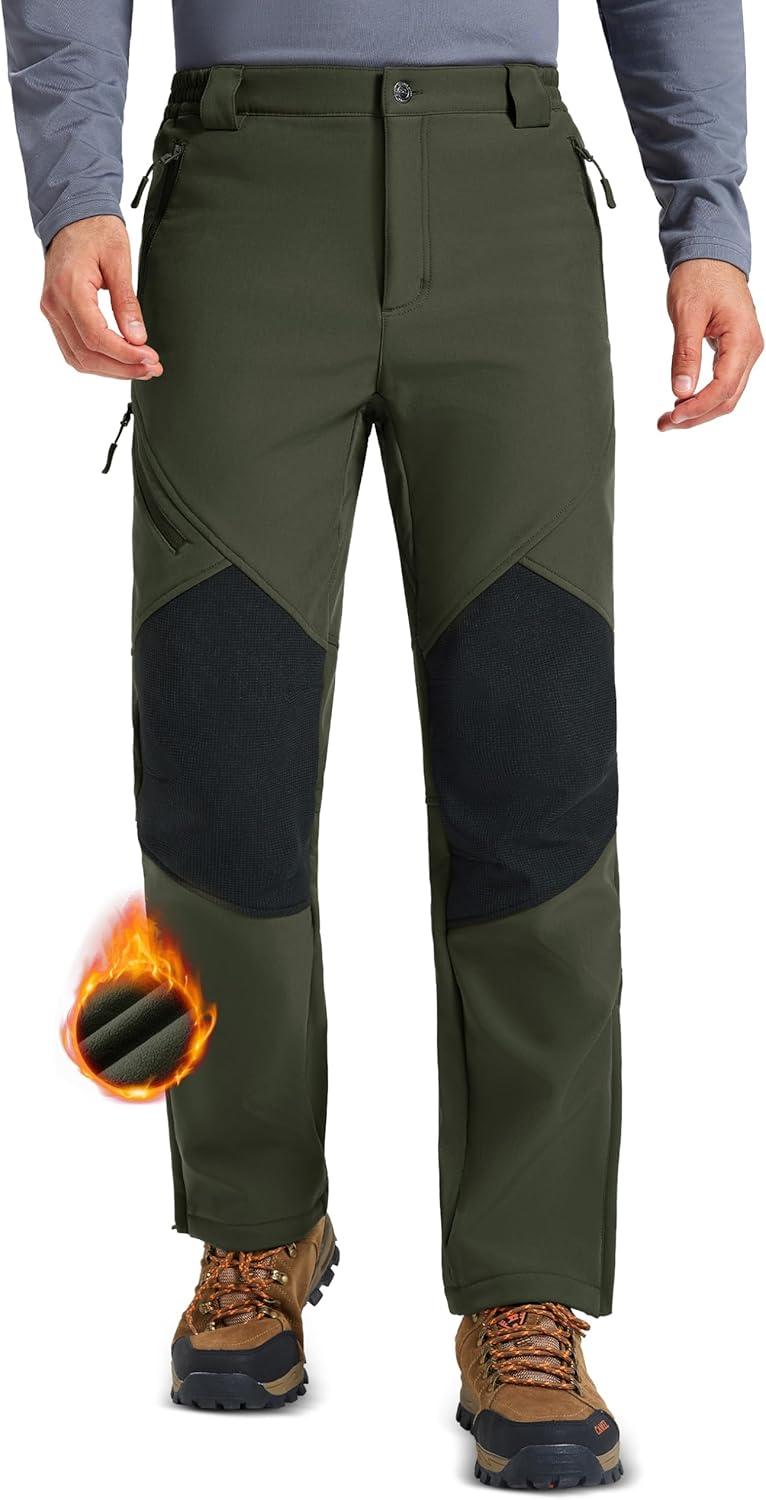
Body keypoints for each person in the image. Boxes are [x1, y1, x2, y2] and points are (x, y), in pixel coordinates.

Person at [3, 1, 761, 1484]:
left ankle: (526, 1287)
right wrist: (74, 190)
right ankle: (253, 1223)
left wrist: (709, 218)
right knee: (220, 751)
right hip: (240, 195)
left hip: (510, 195)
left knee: (534, 760)